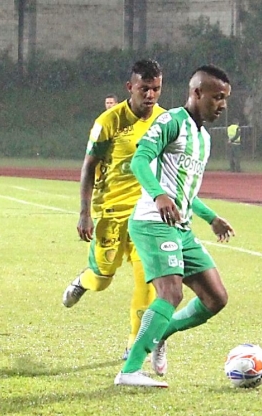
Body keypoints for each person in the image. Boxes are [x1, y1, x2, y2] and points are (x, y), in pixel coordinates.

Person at [114, 65, 235, 387]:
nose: (222, 105)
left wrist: (211, 217)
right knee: (170, 292)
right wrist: (158, 196)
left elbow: (186, 192)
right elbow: (139, 160)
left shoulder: (204, 139)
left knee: (215, 299)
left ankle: (159, 332)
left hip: (180, 227)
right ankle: (129, 371)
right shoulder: (171, 122)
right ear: (197, 93)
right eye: (217, 98)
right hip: (153, 222)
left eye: (225, 99)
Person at [62, 59, 166, 362]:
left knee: (147, 280)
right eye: (144, 88)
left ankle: (136, 343)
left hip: (145, 217)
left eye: (156, 89)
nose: (150, 95)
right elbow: (88, 167)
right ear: (130, 87)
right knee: (103, 277)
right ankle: (84, 281)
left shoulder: (165, 121)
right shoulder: (108, 121)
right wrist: (85, 212)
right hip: (110, 214)